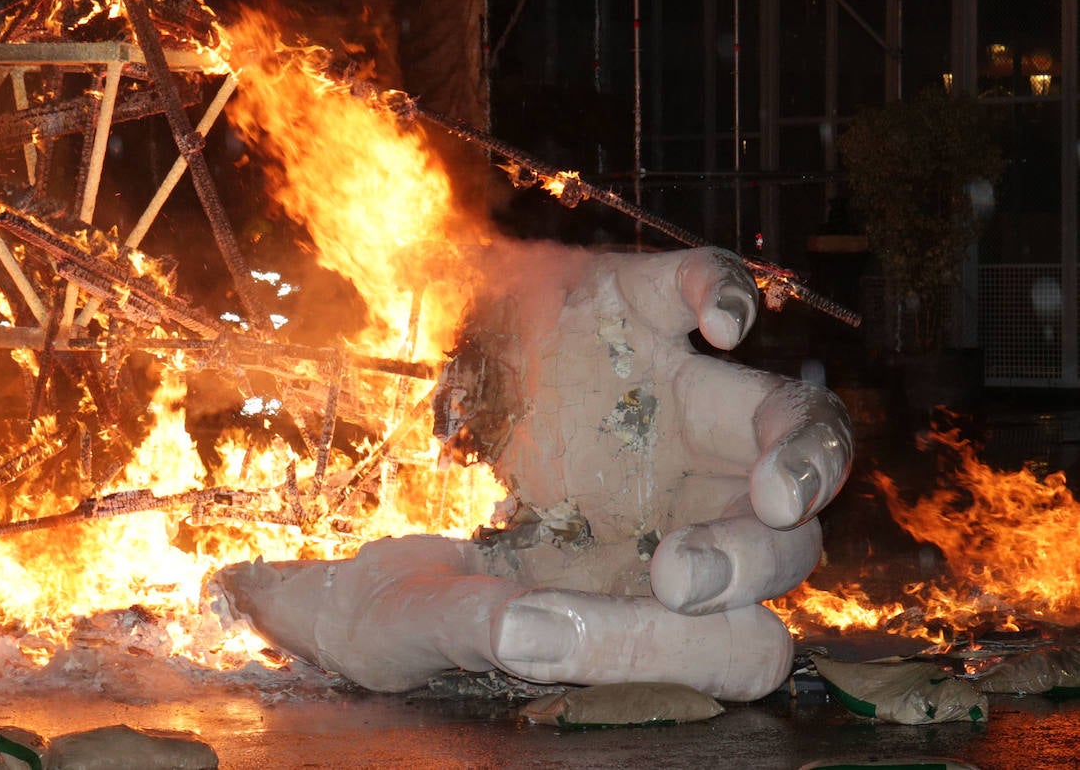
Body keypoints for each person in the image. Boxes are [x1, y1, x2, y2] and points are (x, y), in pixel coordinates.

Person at [217, 242, 852, 701]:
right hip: (504, 569)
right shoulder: (448, 555)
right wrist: (261, 596)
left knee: (726, 594)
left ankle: (668, 626)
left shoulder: (640, 378)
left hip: (632, 565)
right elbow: (344, 609)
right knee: (386, 613)